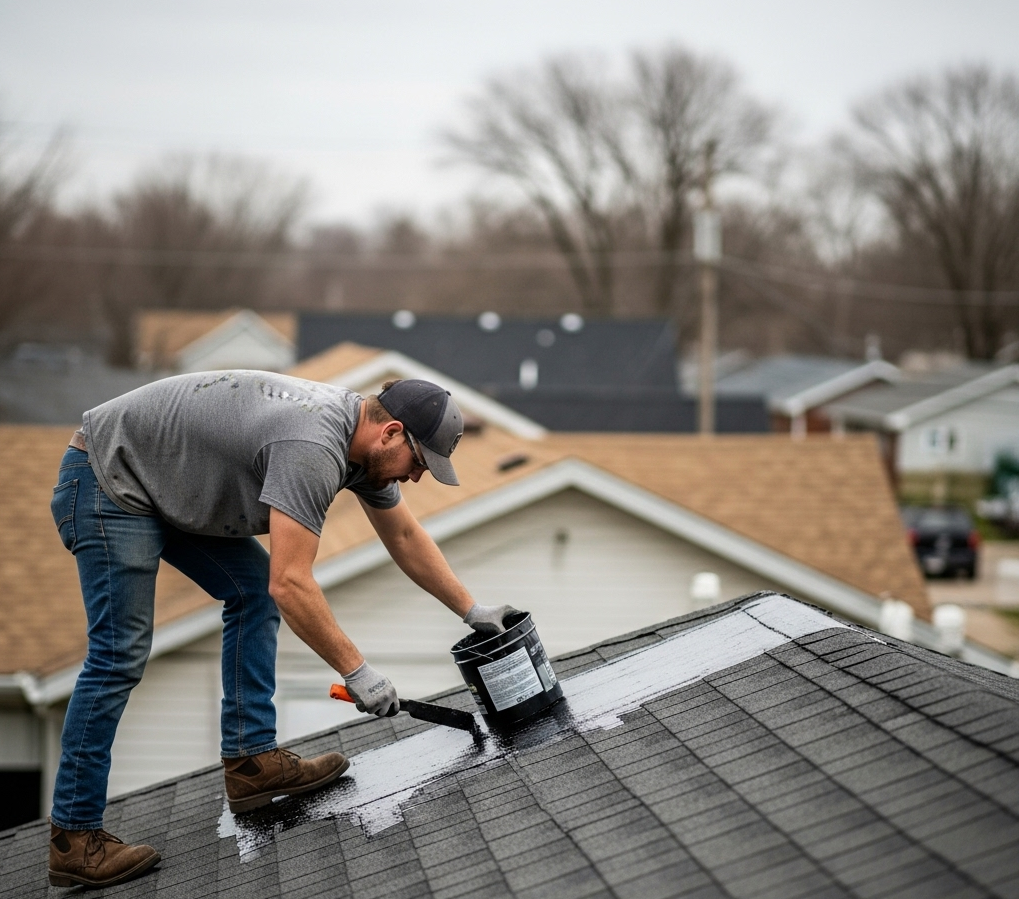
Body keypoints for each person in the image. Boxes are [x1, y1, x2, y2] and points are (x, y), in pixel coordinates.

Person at [46, 372, 515, 888]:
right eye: (420, 463)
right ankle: (75, 839)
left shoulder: (366, 453)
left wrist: (473, 611)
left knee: (247, 595)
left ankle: (251, 762)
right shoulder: (313, 446)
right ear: (392, 432)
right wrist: (356, 671)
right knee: (120, 654)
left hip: (162, 477)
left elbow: (403, 534)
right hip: (108, 477)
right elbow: (290, 583)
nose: (417, 478)